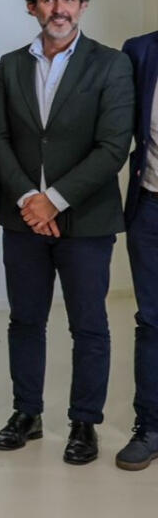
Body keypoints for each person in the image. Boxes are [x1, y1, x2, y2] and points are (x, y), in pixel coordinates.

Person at [0, 0, 134, 465]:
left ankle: (84, 423)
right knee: (25, 320)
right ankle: (26, 414)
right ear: (33, 7)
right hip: (25, 218)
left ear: (83, 5)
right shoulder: (9, 65)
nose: (59, 9)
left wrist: (57, 198)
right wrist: (30, 199)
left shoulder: (112, 64)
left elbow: (114, 147)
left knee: (89, 325)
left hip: (86, 220)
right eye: (48, 0)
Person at [118, 26, 158, 470]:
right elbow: (120, 125)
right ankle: (150, 426)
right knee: (152, 320)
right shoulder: (141, 50)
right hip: (150, 209)